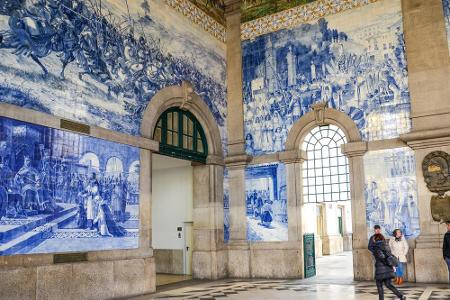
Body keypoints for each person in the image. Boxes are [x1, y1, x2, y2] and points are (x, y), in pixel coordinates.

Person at [372, 233, 405, 300]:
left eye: (373, 239)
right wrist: (390, 265)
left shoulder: (376, 247)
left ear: (375, 239)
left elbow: (382, 257)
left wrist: (386, 263)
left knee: (379, 285)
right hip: (388, 269)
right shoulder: (386, 245)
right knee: (389, 284)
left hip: (380, 269)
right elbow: (389, 256)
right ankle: (401, 296)